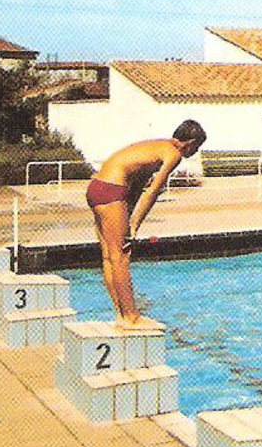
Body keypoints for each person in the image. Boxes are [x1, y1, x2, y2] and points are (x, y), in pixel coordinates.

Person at [86, 120, 207, 325]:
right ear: (190, 143)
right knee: (121, 256)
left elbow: (136, 189)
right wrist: (134, 225)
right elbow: (152, 191)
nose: (195, 152)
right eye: (197, 147)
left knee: (109, 256)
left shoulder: (156, 146)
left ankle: (121, 315)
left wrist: (129, 217)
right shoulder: (173, 154)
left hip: (96, 187)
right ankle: (132, 317)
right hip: (112, 190)